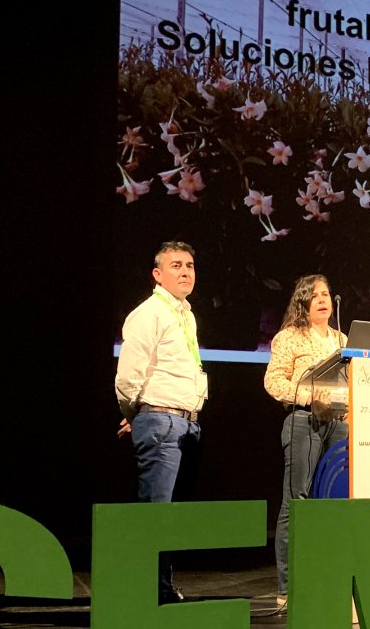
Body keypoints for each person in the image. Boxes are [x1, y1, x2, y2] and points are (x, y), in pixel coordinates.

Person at [114, 241, 208, 604]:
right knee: (157, 514)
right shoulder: (149, 313)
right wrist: (135, 414)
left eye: (190, 265)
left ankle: (161, 588)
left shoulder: (185, 314)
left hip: (185, 424)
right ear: (158, 274)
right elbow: (128, 376)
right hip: (163, 423)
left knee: (173, 518)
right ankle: (148, 591)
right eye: (176, 266)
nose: (186, 272)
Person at [263, 274, 348, 609]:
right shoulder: (289, 338)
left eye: (326, 293)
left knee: (333, 503)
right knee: (297, 501)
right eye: (315, 295)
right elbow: (272, 380)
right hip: (303, 420)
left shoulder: (342, 339)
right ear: (303, 302)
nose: (323, 299)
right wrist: (307, 395)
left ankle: (327, 577)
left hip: (338, 424)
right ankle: (287, 587)